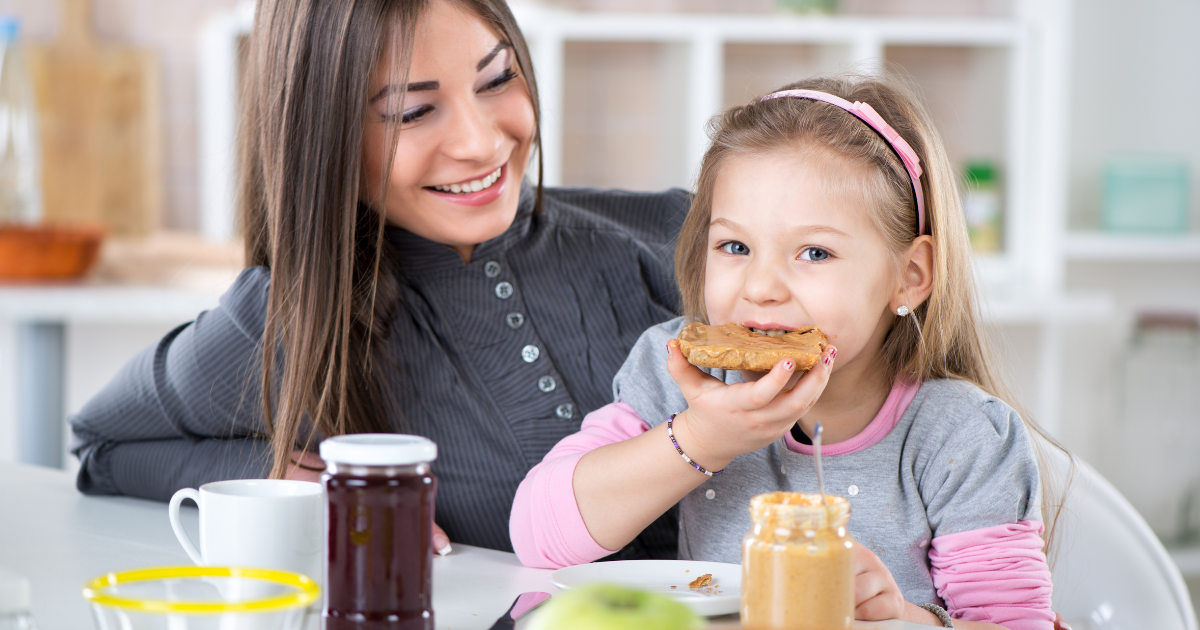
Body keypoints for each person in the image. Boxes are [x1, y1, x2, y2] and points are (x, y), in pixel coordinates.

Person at [68, 0, 685, 559]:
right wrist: (280, 473)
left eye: (497, 78)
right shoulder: (291, 322)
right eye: (411, 112)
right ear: (321, 136)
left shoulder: (688, 240)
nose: (479, 141)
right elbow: (102, 447)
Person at [510, 75, 1060, 629]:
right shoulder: (679, 368)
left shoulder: (960, 435)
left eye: (814, 252)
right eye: (735, 246)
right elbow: (538, 535)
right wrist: (704, 437)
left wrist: (903, 620)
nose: (761, 285)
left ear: (909, 276)